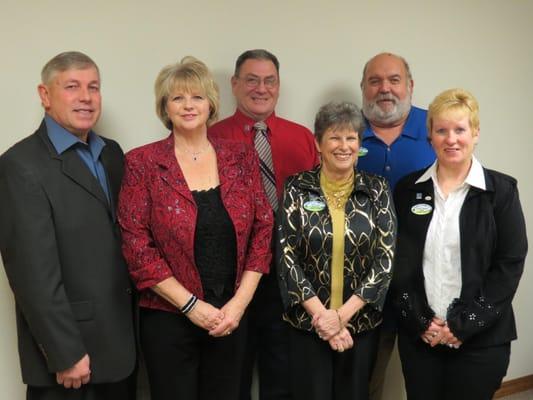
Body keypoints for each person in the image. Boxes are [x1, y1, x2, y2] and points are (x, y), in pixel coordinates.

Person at [118, 57, 273, 400]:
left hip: (232, 316)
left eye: (197, 97)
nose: (188, 105)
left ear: (211, 104)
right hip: (168, 319)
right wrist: (191, 306)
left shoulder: (241, 156)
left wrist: (238, 305)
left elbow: (263, 230)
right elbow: (136, 246)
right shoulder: (142, 162)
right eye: (178, 98)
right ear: (165, 107)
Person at [0, 51, 136, 400]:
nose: (86, 97)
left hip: (121, 349)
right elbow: (33, 275)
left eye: (93, 87)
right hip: (70, 361)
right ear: (45, 95)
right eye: (72, 86)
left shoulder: (112, 154)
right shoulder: (19, 166)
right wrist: (65, 354)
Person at [392, 88, 527, 400]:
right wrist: (419, 322)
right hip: (421, 338)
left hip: (481, 341)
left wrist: (462, 326)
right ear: (430, 137)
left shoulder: (501, 192)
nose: (451, 139)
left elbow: (509, 264)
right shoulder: (408, 191)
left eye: (460, 129)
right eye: (441, 130)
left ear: (475, 133)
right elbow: (398, 262)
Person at [208, 49, 318, 400]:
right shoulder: (211, 138)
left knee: (283, 372)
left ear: (279, 86)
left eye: (269, 80)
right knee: (230, 372)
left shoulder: (302, 138)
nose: (261, 88)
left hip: (289, 277)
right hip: (232, 278)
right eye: (252, 80)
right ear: (235, 84)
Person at [277, 101, 396, 400]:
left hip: (360, 324)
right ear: (318, 142)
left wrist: (341, 317)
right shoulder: (296, 187)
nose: (343, 146)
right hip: (309, 325)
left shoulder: (378, 189)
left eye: (351, 138)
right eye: (334, 137)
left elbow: (385, 259)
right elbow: (286, 255)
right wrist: (325, 320)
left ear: (359, 143)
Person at [358, 52, 436, 400]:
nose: (384, 89)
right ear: (363, 88)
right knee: (363, 374)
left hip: (425, 279)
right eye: (375, 81)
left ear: (410, 86)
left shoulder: (437, 130)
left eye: (394, 80)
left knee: (427, 372)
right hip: (364, 280)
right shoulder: (346, 133)